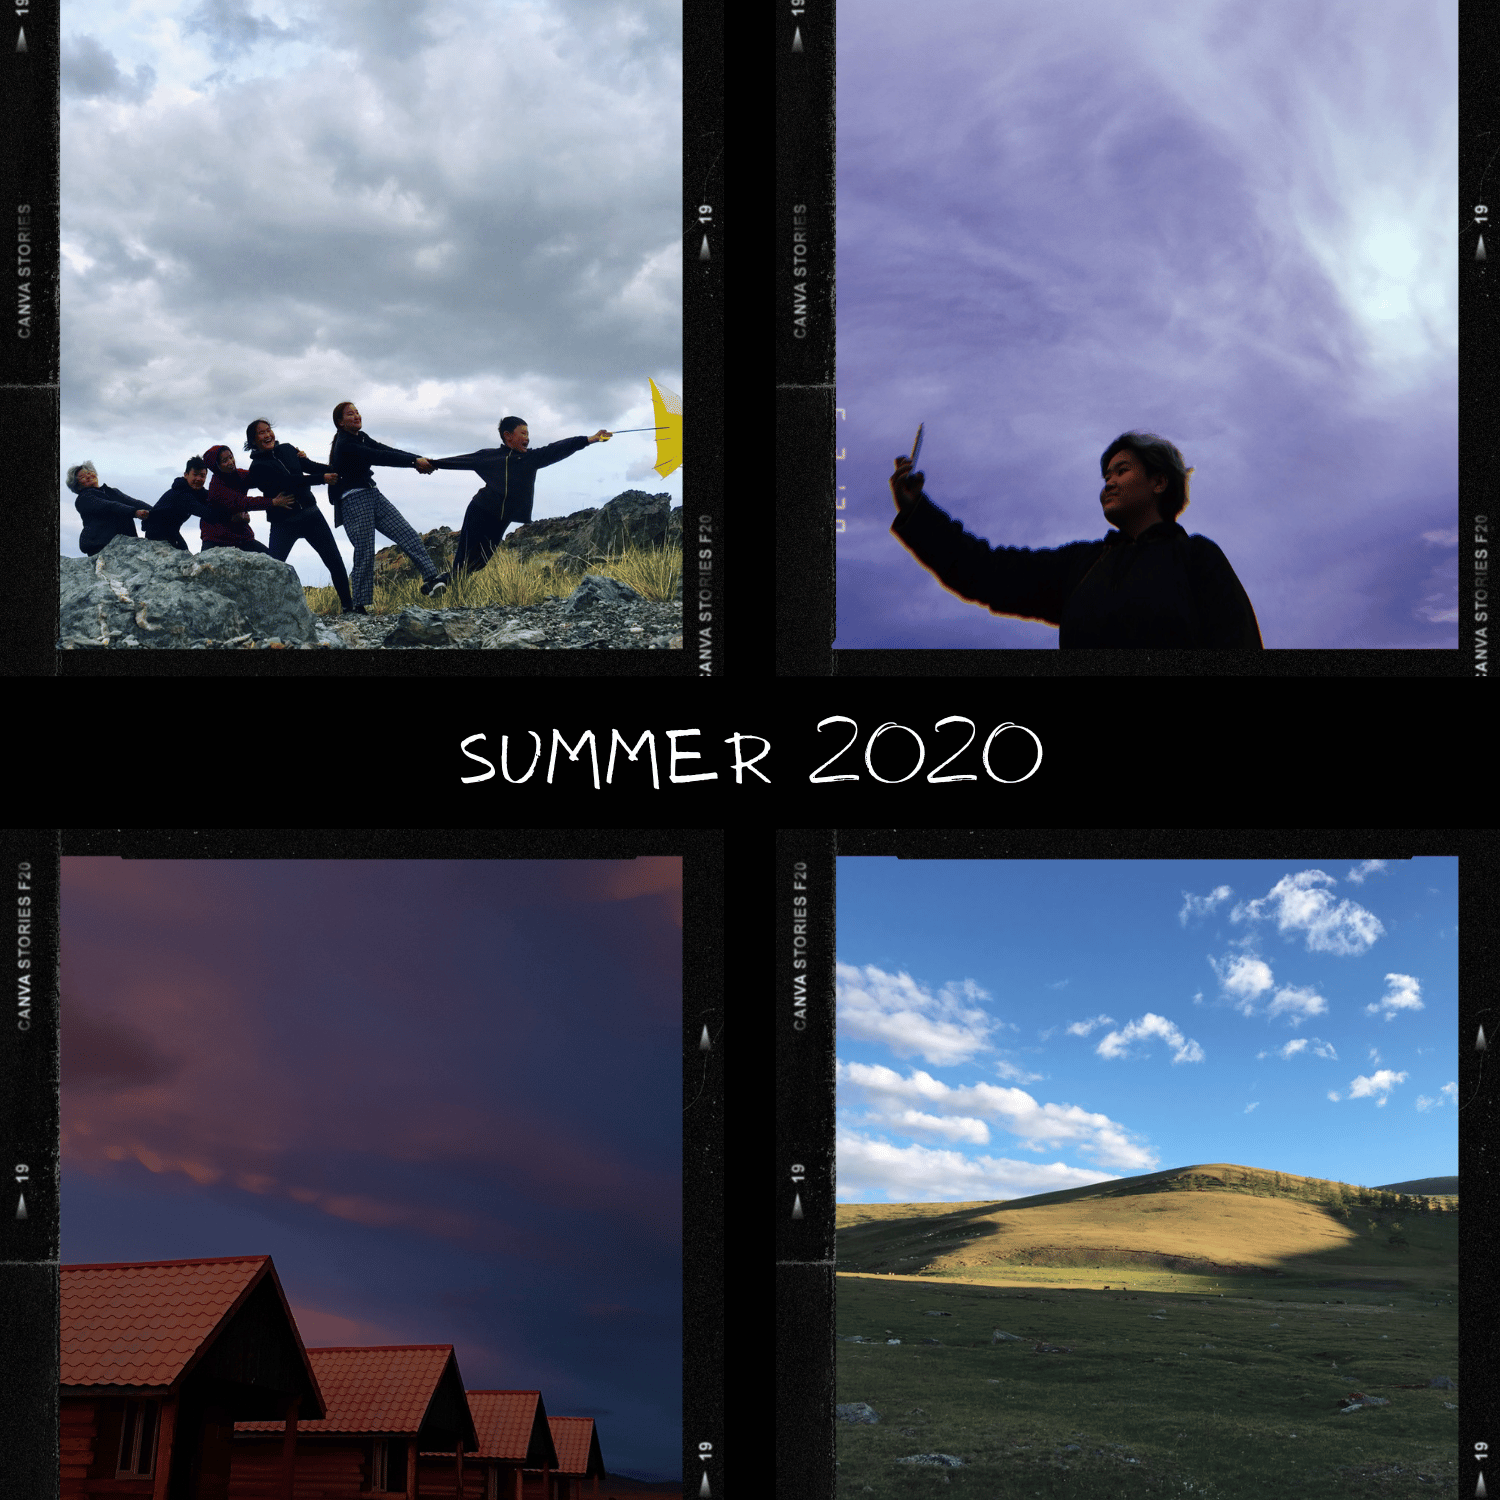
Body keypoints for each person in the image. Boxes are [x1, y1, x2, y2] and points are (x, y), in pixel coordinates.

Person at [890, 430, 1263, 648]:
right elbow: (986, 571)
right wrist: (918, 513)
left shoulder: (1196, 557)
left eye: (1122, 470)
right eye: (1105, 477)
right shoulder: (1081, 567)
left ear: (1159, 482)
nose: (1109, 483)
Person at [422, 416, 612, 575]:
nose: (527, 438)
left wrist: (590, 439)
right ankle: (445, 586)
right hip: (480, 510)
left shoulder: (530, 458)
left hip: (502, 518)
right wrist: (433, 463)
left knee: (480, 562)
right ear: (508, 436)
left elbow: (558, 448)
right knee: (464, 557)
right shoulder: (490, 456)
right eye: (523, 433)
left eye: (528, 434)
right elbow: (461, 461)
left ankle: (445, 582)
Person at [323, 402, 446, 614]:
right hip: (353, 500)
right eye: (350, 414)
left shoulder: (361, 437)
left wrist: (416, 459)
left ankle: (431, 578)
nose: (356, 416)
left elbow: (385, 449)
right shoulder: (345, 444)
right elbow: (379, 457)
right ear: (340, 423)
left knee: (407, 533)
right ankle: (358, 607)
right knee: (365, 550)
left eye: (357, 412)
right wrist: (414, 461)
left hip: (372, 494)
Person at [243, 418, 357, 613]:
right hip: (284, 522)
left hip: (312, 516)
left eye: (269, 430)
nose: (267, 435)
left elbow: (309, 466)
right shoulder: (257, 468)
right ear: (253, 441)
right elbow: (286, 482)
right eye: (261, 433)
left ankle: (348, 607)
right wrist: (321, 479)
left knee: (335, 561)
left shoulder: (288, 449)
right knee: (274, 567)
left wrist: (334, 470)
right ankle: (267, 612)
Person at [199, 443, 282, 553]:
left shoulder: (238, 474)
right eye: (225, 461)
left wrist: (289, 457)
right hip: (216, 538)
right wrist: (273, 502)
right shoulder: (216, 488)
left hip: (240, 535)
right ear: (216, 466)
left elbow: (259, 477)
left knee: (273, 559)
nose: (231, 462)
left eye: (231, 457)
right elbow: (244, 502)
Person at [66, 462, 152, 555]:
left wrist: (156, 511)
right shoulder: (84, 498)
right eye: (82, 477)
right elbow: (109, 506)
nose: (88, 476)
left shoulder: (112, 491)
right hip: (101, 546)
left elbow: (134, 502)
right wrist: (135, 512)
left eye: (89, 472)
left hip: (126, 544)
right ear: (77, 485)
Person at [142, 456, 212, 551]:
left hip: (172, 531)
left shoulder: (195, 491)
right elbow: (206, 513)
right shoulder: (181, 493)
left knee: (185, 555)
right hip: (156, 534)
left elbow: (211, 497)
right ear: (186, 475)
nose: (198, 479)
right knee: (183, 557)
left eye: (202, 476)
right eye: (195, 475)